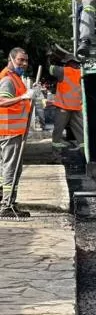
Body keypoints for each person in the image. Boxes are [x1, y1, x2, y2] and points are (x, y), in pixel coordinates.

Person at [0, 47, 36, 218]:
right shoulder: (8, 79)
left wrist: (29, 93)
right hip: (9, 130)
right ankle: (7, 206)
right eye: (21, 60)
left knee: (7, 168)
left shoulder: (15, 78)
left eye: (26, 60)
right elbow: (2, 102)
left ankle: (6, 201)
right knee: (11, 169)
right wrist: (23, 98)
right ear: (11, 58)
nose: (24, 63)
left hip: (12, 130)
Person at [48, 56, 83, 149]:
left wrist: (50, 58)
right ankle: (82, 144)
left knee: (59, 126)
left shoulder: (64, 70)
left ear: (69, 63)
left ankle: (56, 143)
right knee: (79, 127)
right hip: (76, 106)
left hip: (63, 106)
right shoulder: (81, 72)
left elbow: (51, 69)